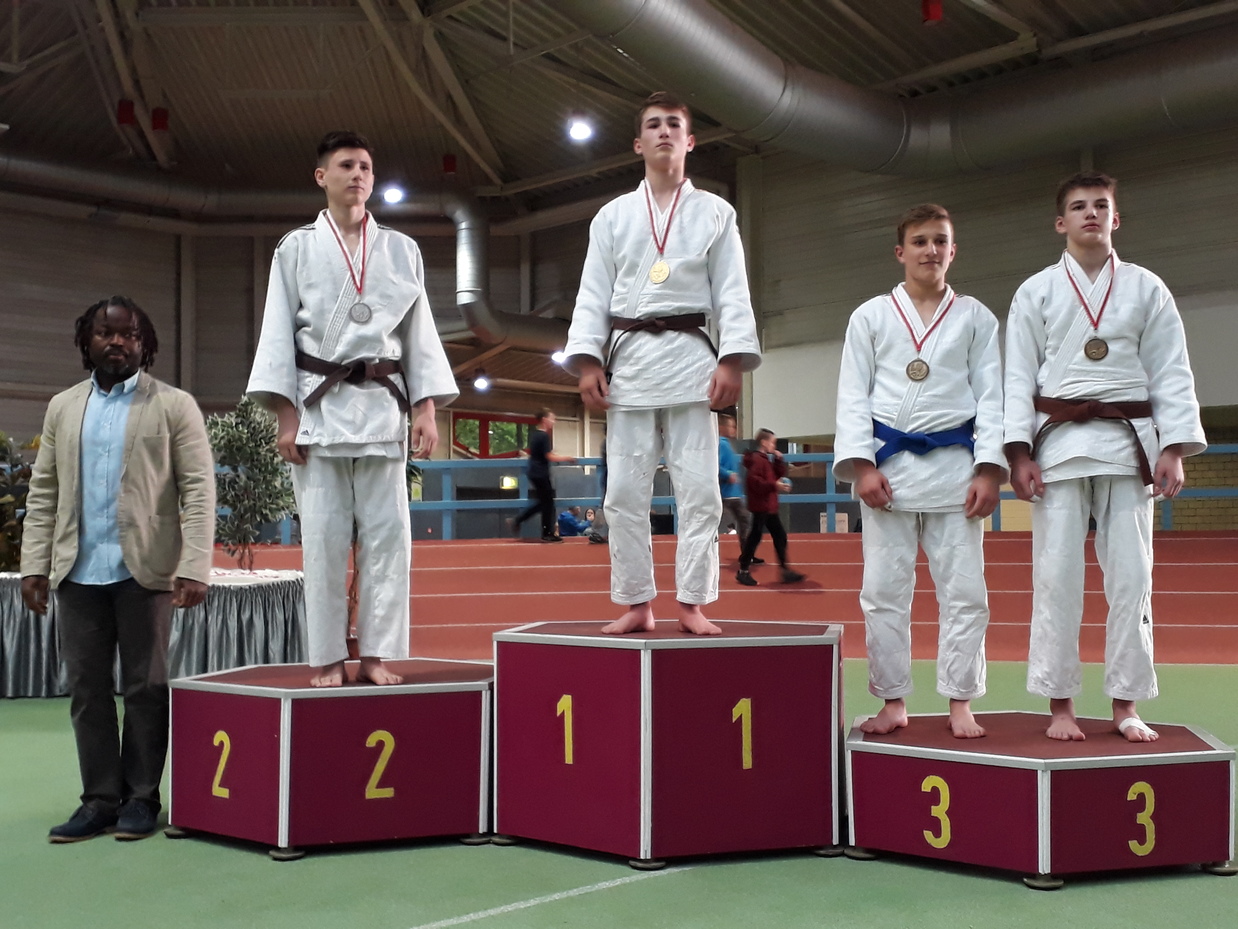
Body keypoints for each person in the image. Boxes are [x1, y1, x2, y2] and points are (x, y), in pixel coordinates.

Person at [247, 130, 457, 687]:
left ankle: (376, 653)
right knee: (323, 540)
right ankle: (326, 655)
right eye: (346, 165)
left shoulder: (401, 249)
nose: (358, 174)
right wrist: (285, 415)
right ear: (322, 177)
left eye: (365, 166)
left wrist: (426, 408)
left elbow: (418, 335)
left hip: (384, 407)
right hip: (320, 408)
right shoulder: (295, 248)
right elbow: (276, 334)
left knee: (389, 540)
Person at [1004, 172, 1205, 743]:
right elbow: (1017, 375)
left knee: (1133, 579)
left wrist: (1173, 446)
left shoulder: (1146, 288)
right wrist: (1018, 451)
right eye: (1078, 206)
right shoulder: (1036, 291)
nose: (1090, 213)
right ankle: (1061, 706)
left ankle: (1125, 703)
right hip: (1059, 446)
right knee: (1057, 579)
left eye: (1100, 205)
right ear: (1060, 222)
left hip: (1128, 444)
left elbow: (1170, 369)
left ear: (1115, 218)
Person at [562, 91, 761, 636]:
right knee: (624, 494)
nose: (665, 131)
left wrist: (732, 360)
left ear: (689, 141)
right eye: (654, 125)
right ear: (638, 143)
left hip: (692, 364)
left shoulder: (716, 212)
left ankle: (692, 602)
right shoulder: (612, 216)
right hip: (628, 365)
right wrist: (588, 362)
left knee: (700, 492)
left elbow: (733, 292)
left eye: (674, 124)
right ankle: (637, 601)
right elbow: (592, 293)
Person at [20, 297, 215, 842]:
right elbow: (44, 490)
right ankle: (99, 800)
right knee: (87, 690)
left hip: (146, 571)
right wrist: (34, 564)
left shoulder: (174, 405)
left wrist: (194, 565)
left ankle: (141, 798)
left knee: (146, 687)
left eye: (128, 334)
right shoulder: (62, 407)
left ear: (143, 343)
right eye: (105, 333)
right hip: (77, 570)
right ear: (87, 340)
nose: (117, 342)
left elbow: (199, 490)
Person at [834, 204, 1005, 739]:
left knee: (966, 594)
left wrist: (989, 471)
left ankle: (960, 701)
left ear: (953, 250)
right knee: (883, 592)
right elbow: (852, 397)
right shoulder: (870, 317)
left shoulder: (976, 317)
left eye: (940, 241)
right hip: (888, 472)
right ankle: (893, 701)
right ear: (900, 251)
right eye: (920, 240)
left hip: (957, 473)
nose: (931, 249)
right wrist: (862, 467)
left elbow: (992, 398)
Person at [736, 429, 805, 586]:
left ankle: (783, 570)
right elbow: (755, 482)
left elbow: (776, 474)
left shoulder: (764, 460)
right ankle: (744, 570)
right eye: (772, 442)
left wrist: (778, 460)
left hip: (767, 505)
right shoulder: (758, 460)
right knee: (757, 537)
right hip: (762, 505)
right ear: (764, 442)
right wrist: (775, 485)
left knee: (774, 536)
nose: (774, 446)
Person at [510, 410, 575, 542]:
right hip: (540, 473)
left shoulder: (535, 435)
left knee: (544, 502)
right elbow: (548, 456)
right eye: (552, 419)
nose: (554, 422)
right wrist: (567, 458)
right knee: (547, 503)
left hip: (534, 472)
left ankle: (520, 520)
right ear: (544, 420)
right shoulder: (544, 436)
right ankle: (546, 532)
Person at [718, 409, 761, 565]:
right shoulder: (721, 444)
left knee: (744, 521)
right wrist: (728, 475)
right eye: (731, 426)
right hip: (728, 494)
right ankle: (747, 554)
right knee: (744, 521)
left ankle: (747, 554)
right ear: (722, 427)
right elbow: (715, 465)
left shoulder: (727, 445)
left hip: (734, 493)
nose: (734, 430)